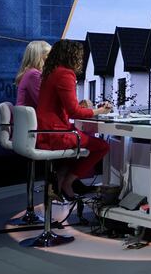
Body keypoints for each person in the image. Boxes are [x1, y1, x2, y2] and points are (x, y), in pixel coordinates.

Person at [36, 40, 112, 199]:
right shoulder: (65, 74)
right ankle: (68, 182)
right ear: (72, 56)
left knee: (82, 143)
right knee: (102, 146)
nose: (80, 59)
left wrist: (87, 108)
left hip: (45, 132)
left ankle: (62, 179)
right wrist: (100, 111)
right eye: (79, 56)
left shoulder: (51, 72)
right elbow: (73, 112)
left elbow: (63, 107)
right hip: (55, 135)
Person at [15, 41, 51, 107]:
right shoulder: (33, 74)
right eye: (48, 55)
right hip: (31, 116)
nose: (51, 59)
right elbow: (44, 102)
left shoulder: (30, 73)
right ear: (38, 57)